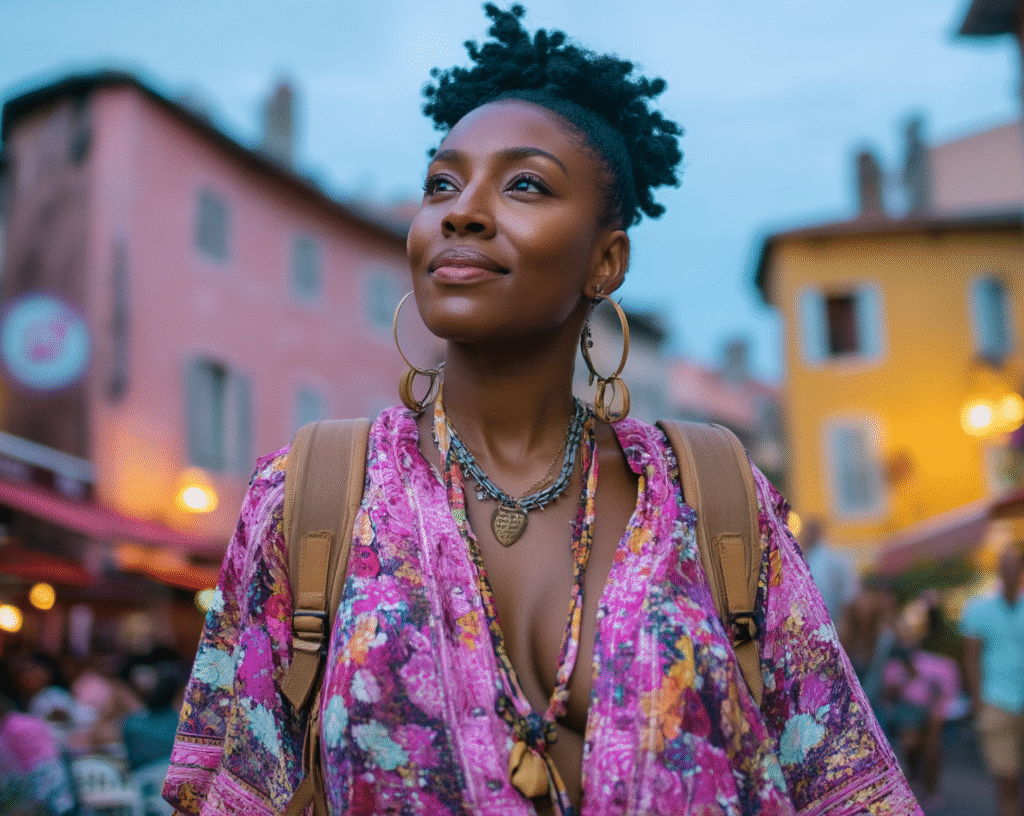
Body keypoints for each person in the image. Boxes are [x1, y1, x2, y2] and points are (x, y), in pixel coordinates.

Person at [164, 5, 920, 814]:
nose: (462, 211)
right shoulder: (306, 501)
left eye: (524, 183)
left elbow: (847, 790)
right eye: (441, 184)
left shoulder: (718, 500)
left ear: (607, 260)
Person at [960, 544, 1024, 816]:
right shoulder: (979, 608)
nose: (1010, 570)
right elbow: (971, 657)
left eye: (1015, 565)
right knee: (1007, 780)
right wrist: (977, 699)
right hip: (997, 700)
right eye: (1005, 565)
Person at [800, 516, 859, 624]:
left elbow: (849, 593)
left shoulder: (832, 558)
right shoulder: (805, 559)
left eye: (810, 531)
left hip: (832, 623)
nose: (806, 535)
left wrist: (844, 623)